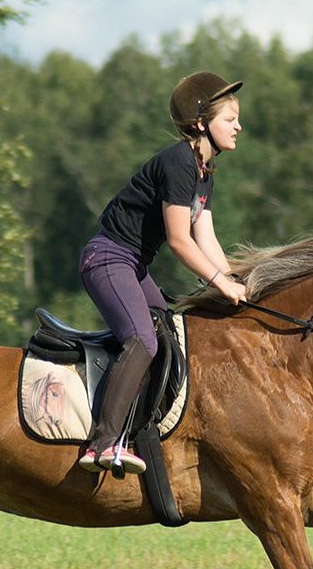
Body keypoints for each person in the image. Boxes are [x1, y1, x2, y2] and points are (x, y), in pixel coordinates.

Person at [77, 71, 249, 475]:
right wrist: (220, 283)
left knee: (169, 336)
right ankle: (100, 445)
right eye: (230, 118)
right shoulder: (178, 163)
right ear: (201, 122)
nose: (239, 126)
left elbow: (206, 236)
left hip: (132, 265)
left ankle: (140, 433)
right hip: (108, 258)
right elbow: (179, 240)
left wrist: (239, 283)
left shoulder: (205, 172)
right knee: (143, 340)